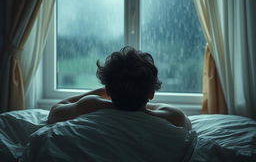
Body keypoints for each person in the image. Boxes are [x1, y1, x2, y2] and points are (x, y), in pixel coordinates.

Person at [48, 46, 191, 130]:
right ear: (151, 93)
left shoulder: (91, 105)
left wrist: (108, 90)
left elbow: (54, 112)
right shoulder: (173, 117)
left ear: (108, 91)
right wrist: (138, 96)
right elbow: (188, 124)